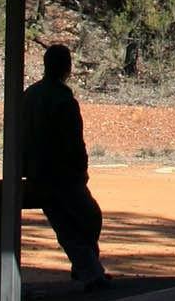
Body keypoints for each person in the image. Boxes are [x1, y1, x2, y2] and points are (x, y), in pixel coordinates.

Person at [21, 43, 109, 288]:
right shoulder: (63, 99)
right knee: (89, 217)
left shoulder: (30, 95)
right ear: (66, 67)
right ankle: (90, 272)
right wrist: (81, 170)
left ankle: (88, 269)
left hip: (37, 174)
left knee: (66, 224)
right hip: (62, 176)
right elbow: (73, 141)